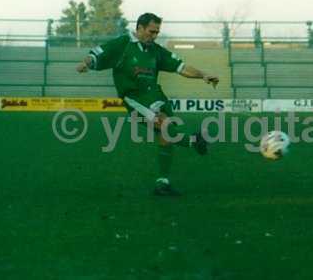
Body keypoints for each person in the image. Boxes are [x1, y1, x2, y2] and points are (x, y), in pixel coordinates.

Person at [76, 13, 219, 196]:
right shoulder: (122, 44)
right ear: (140, 28)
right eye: (151, 31)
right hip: (134, 98)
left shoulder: (156, 50)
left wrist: (203, 75)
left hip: (156, 95)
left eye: (157, 32)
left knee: (165, 136)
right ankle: (194, 141)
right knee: (165, 125)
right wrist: (85, 63)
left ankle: (163, 182)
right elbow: (97, 54)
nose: (154, 35)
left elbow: (181, 67)